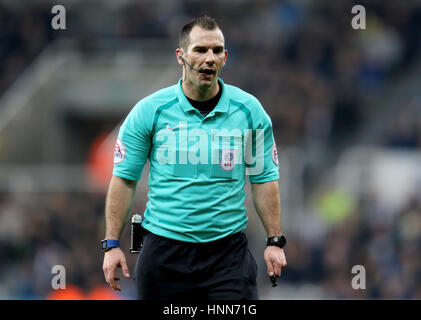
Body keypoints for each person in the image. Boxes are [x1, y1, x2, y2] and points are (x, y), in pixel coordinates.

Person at [101, 15, 287, 300]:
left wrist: (274, 241)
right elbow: (124, 180)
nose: (209, 58)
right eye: (200, 50)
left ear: (225, 57)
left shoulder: (249, 111)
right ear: (181, 56)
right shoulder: (150, 111)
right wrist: (112, 244)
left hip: (227, 256)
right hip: (164, 253)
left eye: (216, 50)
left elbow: (263, 180)